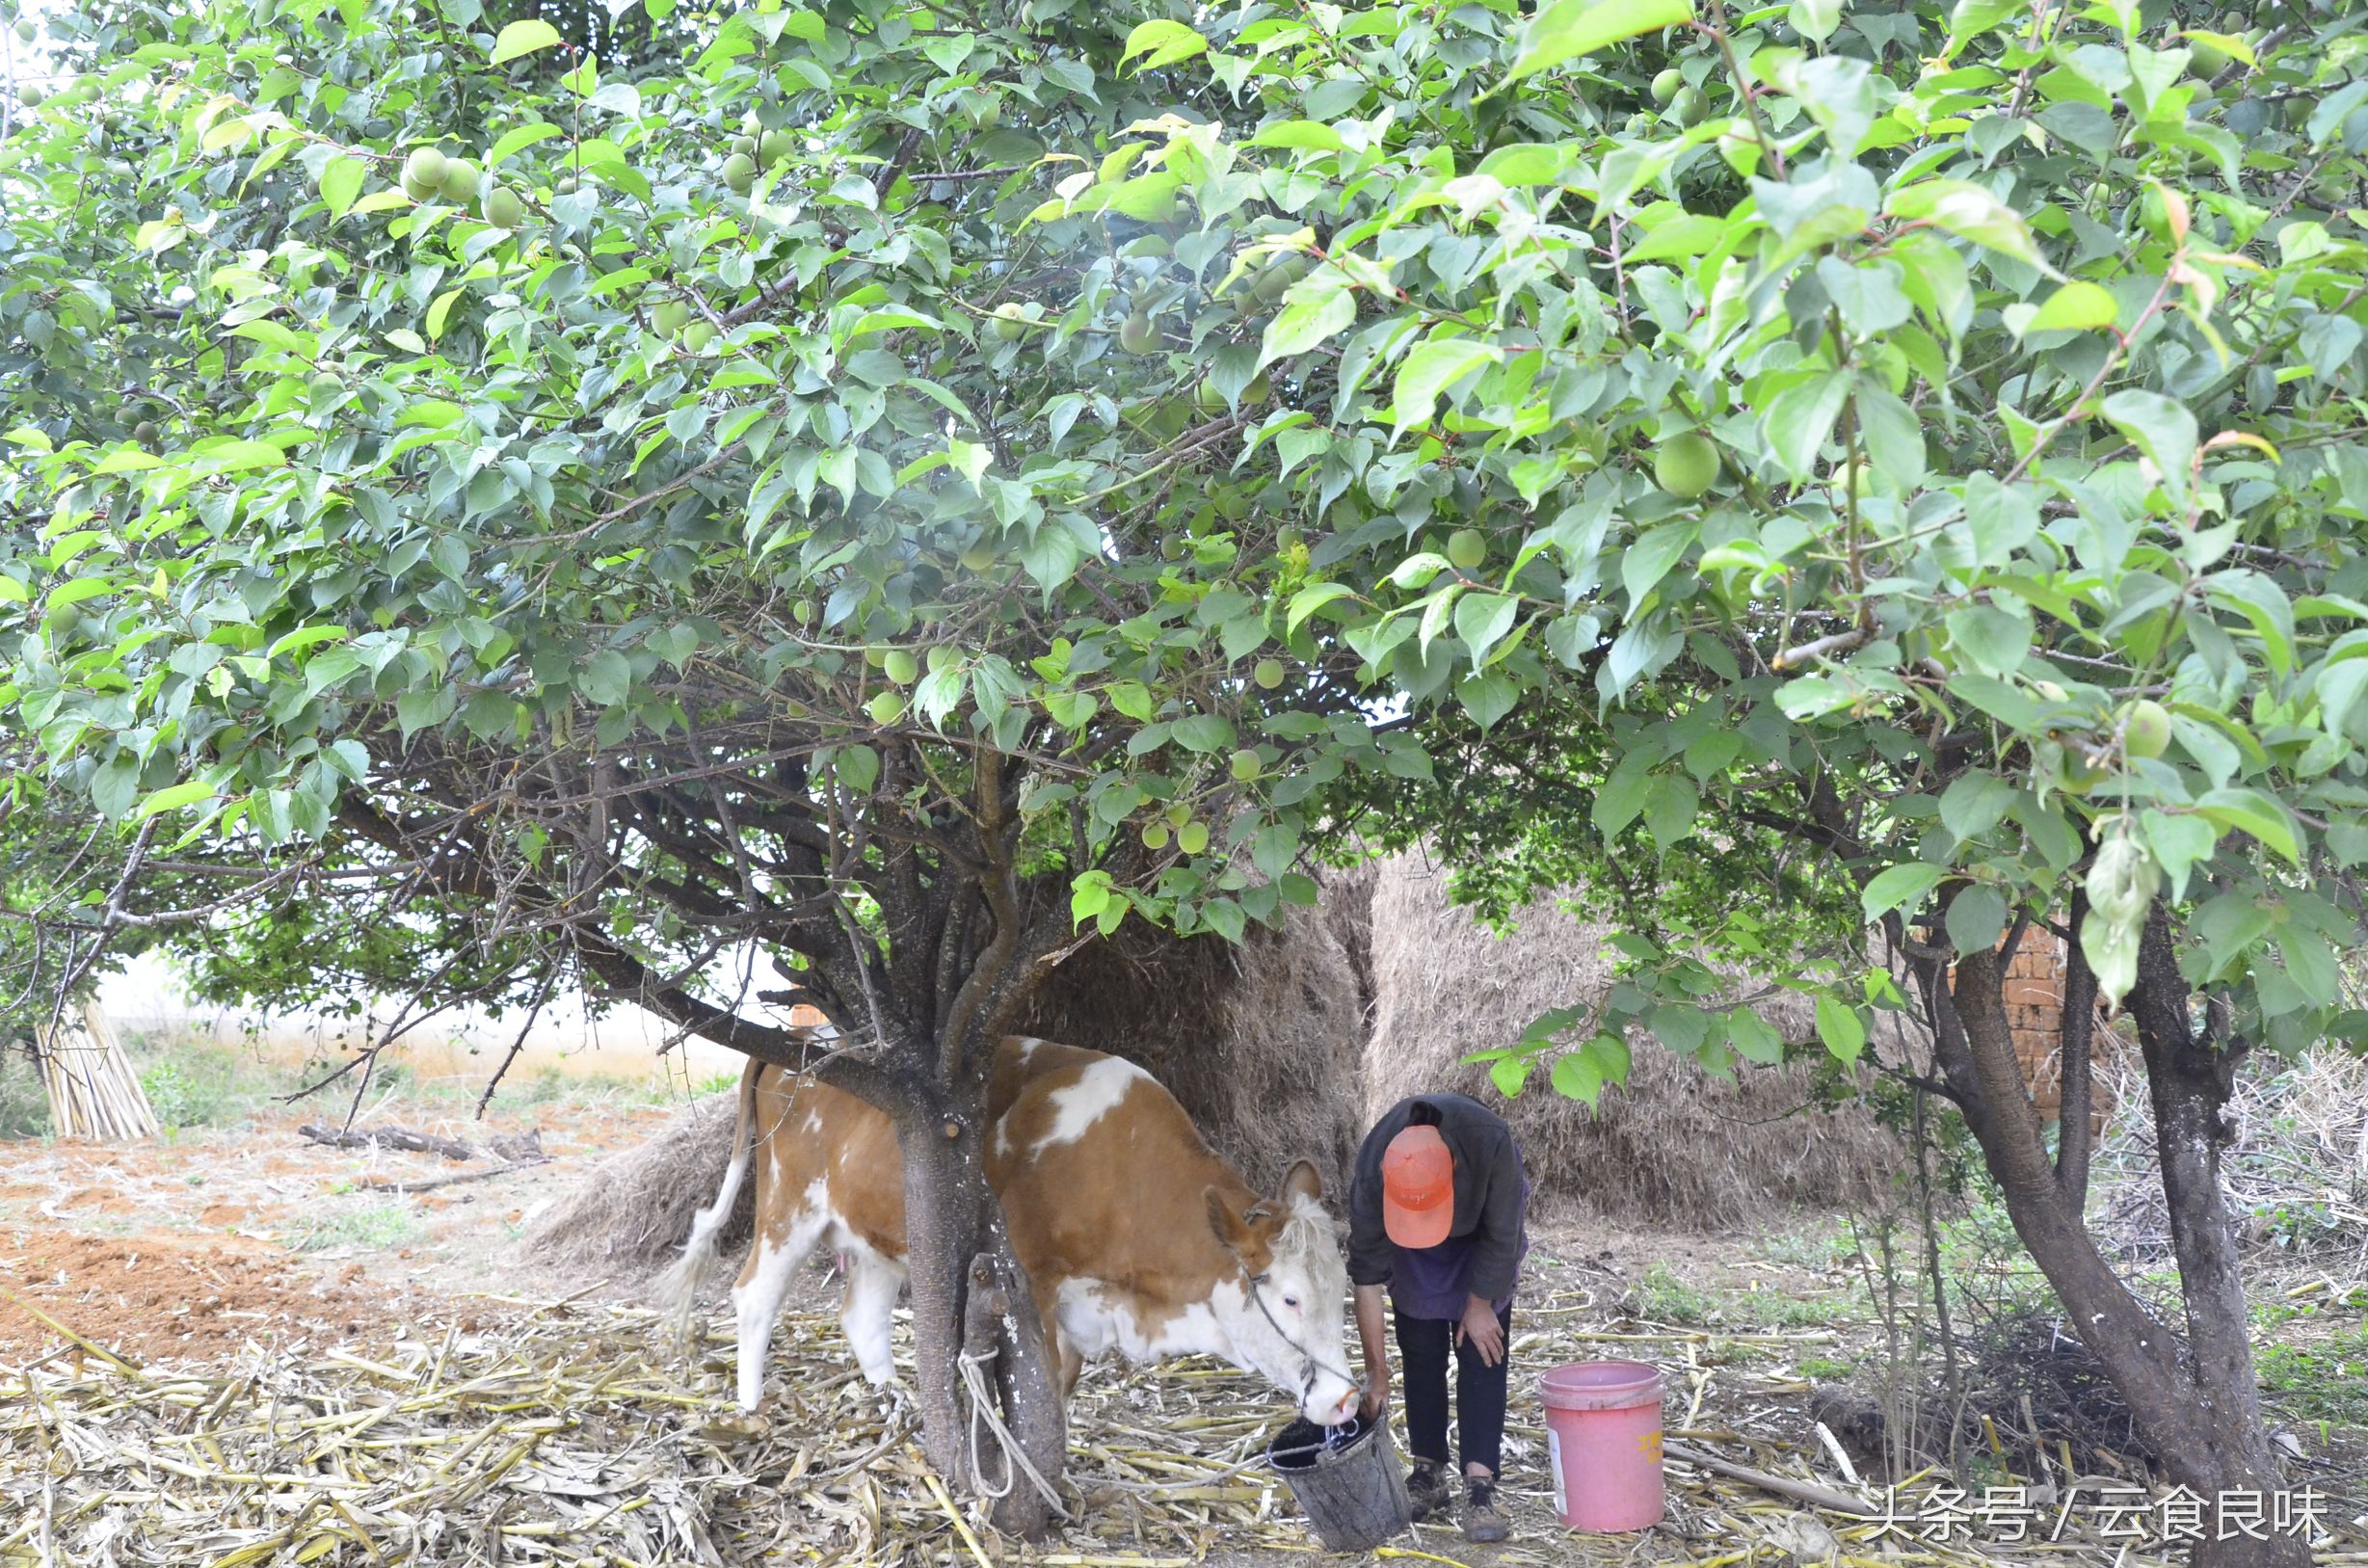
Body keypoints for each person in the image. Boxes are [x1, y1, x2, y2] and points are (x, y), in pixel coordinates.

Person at [1348, 1092, 1530, 1542]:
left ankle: (1480, 1485)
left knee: (1482, 1350)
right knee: (1420, 1349)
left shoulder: (1490, 1143)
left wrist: (1481, 1302)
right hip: (1413, 1252)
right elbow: (1366, 1280)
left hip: (1481, 1245)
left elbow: (1504, 1233)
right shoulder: (1375, 1169)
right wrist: (1376, 1373)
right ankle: (1428, 1472)